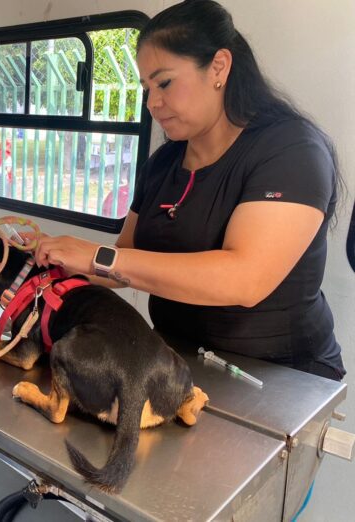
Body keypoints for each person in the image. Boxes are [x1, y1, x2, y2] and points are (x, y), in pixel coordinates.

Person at [35, 0, 346, 382]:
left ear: (218, 67)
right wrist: (50, 257)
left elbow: (245, 279)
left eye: (164, 83)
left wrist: (100, 258)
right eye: (146, 88)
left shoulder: (290, 150)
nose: (152, 103)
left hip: (282, 377)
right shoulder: (164, 163)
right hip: (175, 361)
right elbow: (122, 261)